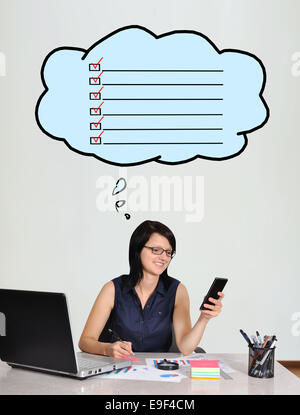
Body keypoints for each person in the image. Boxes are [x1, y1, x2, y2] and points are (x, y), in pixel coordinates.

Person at [78, 220, 224, 358]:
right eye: (156, 250)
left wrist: (204, 318)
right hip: (117, 370)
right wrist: (107, 349)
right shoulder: (112, 289)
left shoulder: (178, 290)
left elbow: (186, 348)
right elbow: (85, 341)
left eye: (168, 252)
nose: (164, 257)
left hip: (158, 373)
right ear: (138, 249)